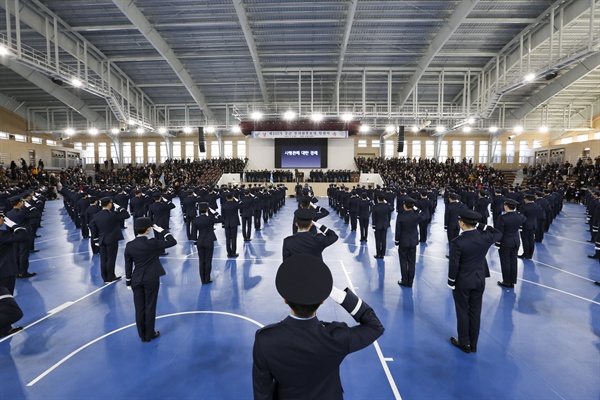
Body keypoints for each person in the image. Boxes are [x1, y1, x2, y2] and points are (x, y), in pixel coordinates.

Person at [252, 254, 384, 399]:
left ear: (284, 299)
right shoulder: (337, 337)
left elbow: (262, 393)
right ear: (322, 301)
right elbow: (375, 327)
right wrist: (342, 297)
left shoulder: (265, 340)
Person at [447, 209, 502, 353]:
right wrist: (482, 226)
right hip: (479, 278)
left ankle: (464, 342)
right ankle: (474, 343)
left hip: (463, 280)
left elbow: (454, 264)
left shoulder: (457, 242)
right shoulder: (484, 237)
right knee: (475, 312)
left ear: (462, 224)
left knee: (462, 311)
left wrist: (451, 281)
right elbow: (498, 233)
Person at [124, 217, 177, 342]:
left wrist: (128, 281)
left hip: (136, 279)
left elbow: (128, 264)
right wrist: (163, 231)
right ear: (148, 229)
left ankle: (142, 334)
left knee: (139, 308)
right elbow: (172, 242)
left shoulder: (130, 245)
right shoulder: (152, 243)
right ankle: (150, 333)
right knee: (150, 306)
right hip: (151, 278)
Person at [89, 197, 130, 283]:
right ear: (110, 204)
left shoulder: (96, 215)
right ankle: (111, 276)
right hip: (112, 239)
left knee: (103, 258)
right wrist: (119, 207)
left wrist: (96, 239)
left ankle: (105, 277)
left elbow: (93, 227)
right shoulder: (113, 214)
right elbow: (127, 214)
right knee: (111, 258)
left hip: (102, 239)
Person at [395, 196, 428, 288]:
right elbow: (424, 217)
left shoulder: (401, 216)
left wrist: (397, 241)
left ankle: (404, 280)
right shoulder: (416, 216)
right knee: (412, 261)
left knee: (403, 261)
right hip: (413, 241)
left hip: (403, 241)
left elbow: (398, 230)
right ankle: (410, 282)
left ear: (405, 206)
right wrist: (417, 210)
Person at [496, 199, 526, 288]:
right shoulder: (519, 216)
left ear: (506, 206)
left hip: (505, 242)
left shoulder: (502, 218)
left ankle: (506, 281)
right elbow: (524, 219)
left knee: (505, 262)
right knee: (513, 261)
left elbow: (499, 232)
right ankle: (512, 281)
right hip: (516, 241)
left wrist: (498, 243)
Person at [191, 203, 223, 284]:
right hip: (209, 241)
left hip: (200, 241)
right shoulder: (210, 218)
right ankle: (207, 279)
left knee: (201, 261)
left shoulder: (195, 219)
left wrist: (195, 241)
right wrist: (215, 213)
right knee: (208, 261)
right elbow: (222, 219)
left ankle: (202, 279)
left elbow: (194, 233)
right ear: (207, 209)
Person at [0, 210, 29, 293]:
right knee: (6, 299)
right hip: (4, 273)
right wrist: (15, 226)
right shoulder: (2, 235)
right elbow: (23, 236)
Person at [148, 192, 176, 256]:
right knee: (162, 237)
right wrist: (166, 200)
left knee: (156, 237)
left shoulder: (151, 206)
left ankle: (157, 250)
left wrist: (152, 223)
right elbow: (173, 205)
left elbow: (150, 216)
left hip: (155, 223)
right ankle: (161, 251)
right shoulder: (163, 205)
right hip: (163, 222)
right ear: (160, 197)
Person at [371, 195, 393, 259]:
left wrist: (373, 225)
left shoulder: (375, 207)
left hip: (378, 225)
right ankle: (383, 254)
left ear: (378, 199)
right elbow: (392, 209)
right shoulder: (387, 206)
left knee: (378, 240)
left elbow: (374, 217)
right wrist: (387, 203)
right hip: (385, 225)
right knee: (383, 240)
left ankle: (378, 254)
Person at [221, 192, 241, 257]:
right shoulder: (235, 204)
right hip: (234, 222)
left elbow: (222, 216)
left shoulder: (223, 205)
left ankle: (228, 252)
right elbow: (242, 204)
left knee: (228, 238)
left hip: (227, 223)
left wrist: (223, 223)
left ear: (226, 198)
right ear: (232, 197)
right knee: (233, 238)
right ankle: (233, 252)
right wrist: (236, 199)